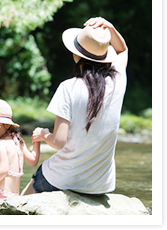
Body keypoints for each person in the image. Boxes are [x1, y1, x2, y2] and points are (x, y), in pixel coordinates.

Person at [22, 17, 128, 196]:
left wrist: (42, 134)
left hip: (62, 180)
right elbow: (122, 49)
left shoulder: (68, 87)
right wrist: (109, 27)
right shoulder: (118, 79)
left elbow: (58, 142)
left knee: (22, 201)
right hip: (99, 185)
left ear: (77, 54)